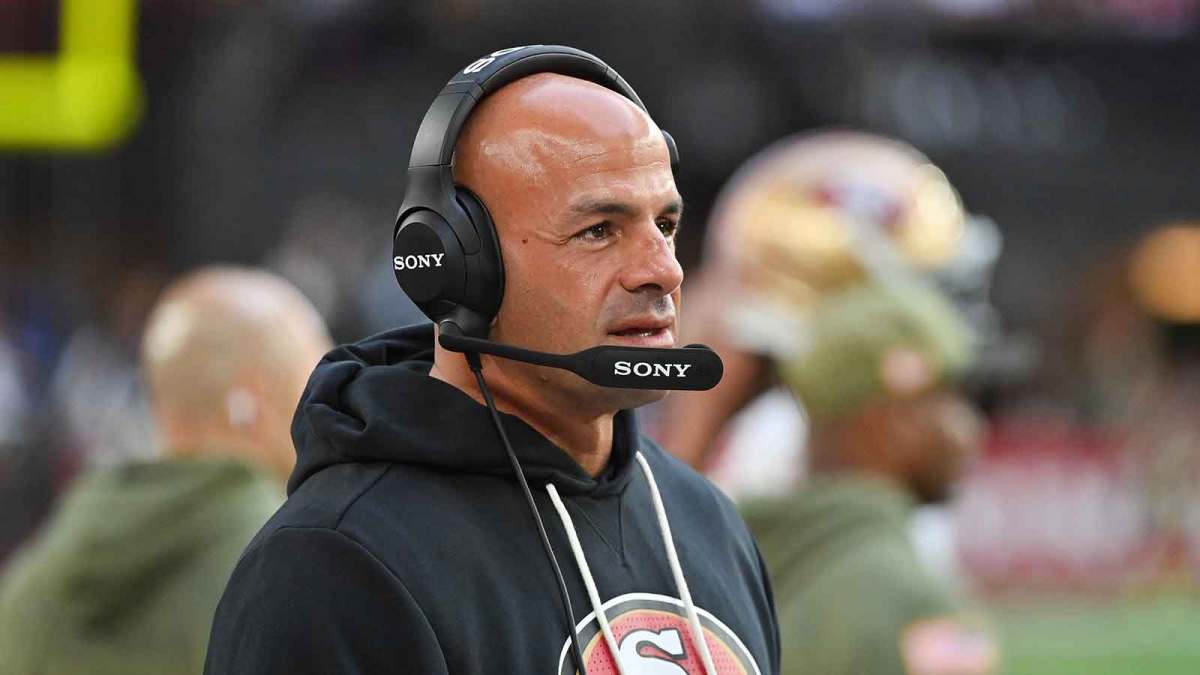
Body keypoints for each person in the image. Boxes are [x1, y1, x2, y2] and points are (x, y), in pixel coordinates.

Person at [205, 47, 780, 675]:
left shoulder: (705, 521)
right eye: (600, 230)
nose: (663, 270)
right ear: (461, 265)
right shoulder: (332, 565)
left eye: (665, 225)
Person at [0, 267, 333, 675]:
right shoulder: (302, 573)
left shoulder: (33, 579)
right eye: (317, 379)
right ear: (251, 406)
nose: (335, 404)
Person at [740, 282, 999, 675]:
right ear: (888, 424)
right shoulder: (912, 606)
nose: (971, 429)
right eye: (947, 399)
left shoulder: (732, 566)